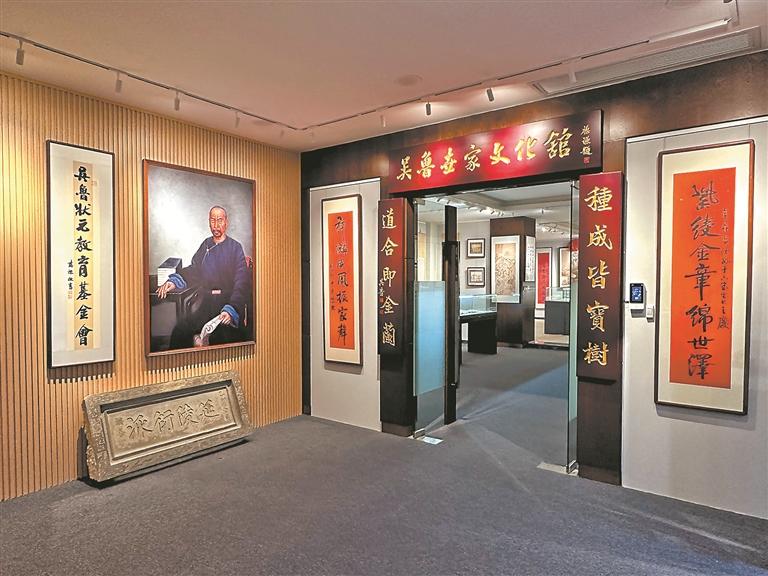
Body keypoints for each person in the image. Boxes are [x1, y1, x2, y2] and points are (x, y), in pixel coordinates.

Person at [156, 205, 250, 349]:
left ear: (226, 222)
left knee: (220, 337)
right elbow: (194, 270)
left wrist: (231, 309)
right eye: (213, 220)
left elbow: (241, 283)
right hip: (206, 304)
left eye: (220, 220)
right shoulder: (206, 245)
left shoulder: (235, 247)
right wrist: (174, 281)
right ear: (209, 222)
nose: (216, 225)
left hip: (228, 303)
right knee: (180, 331)